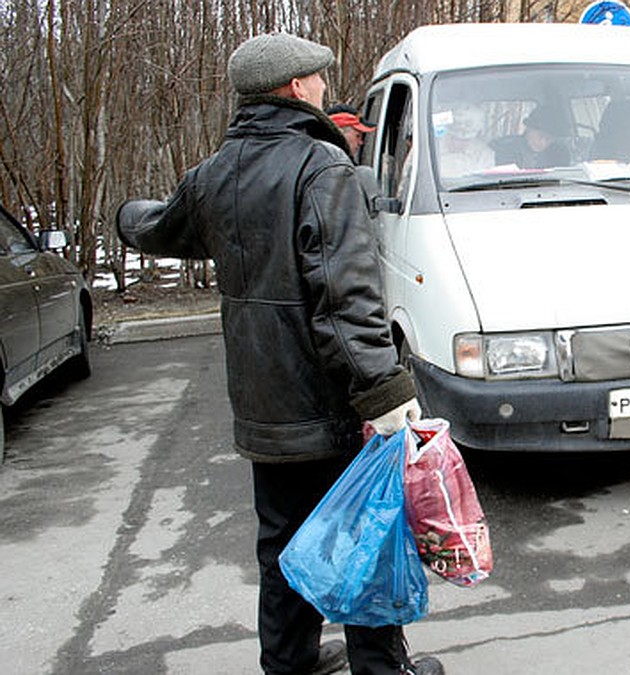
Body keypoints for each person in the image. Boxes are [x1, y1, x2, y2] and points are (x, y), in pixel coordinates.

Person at [115, 32, 443, 675]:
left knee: (284, 542)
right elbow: (345, 299)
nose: (324, 88)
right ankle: (380, 670)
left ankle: (289, 662)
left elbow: (159, 226)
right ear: (296, 88)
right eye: (318, 79)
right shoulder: (323, 168)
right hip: (330, 407)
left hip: (264, 408)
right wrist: (386, 396)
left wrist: (124, 214)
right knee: (364, 537)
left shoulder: (215, 172)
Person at [491, 106, 571, 169]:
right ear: (529, 128)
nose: (543, 142)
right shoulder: (504, 151)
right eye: (540, 135)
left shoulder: (559, 155)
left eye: (549, 139)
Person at [436, 103, 494, 177]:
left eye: (465, 140)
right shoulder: (432, 150)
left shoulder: (484, 155)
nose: (458, 143)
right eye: (454, 138)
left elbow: (486, 182)